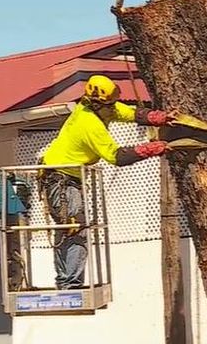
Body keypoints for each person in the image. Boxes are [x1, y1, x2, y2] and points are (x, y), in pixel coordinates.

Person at [40, 74, 175, 289]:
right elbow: (116, 156)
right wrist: (148, 150)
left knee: (71, 226)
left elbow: (128, 112)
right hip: (60, 179)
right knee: (74, 227)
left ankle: (67, 280)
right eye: (109, 105)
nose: (113, 109)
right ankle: (69, 284)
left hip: (69, 177)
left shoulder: (101, 108)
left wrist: (155, 117)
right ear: (97, 103)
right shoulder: (89, 123)